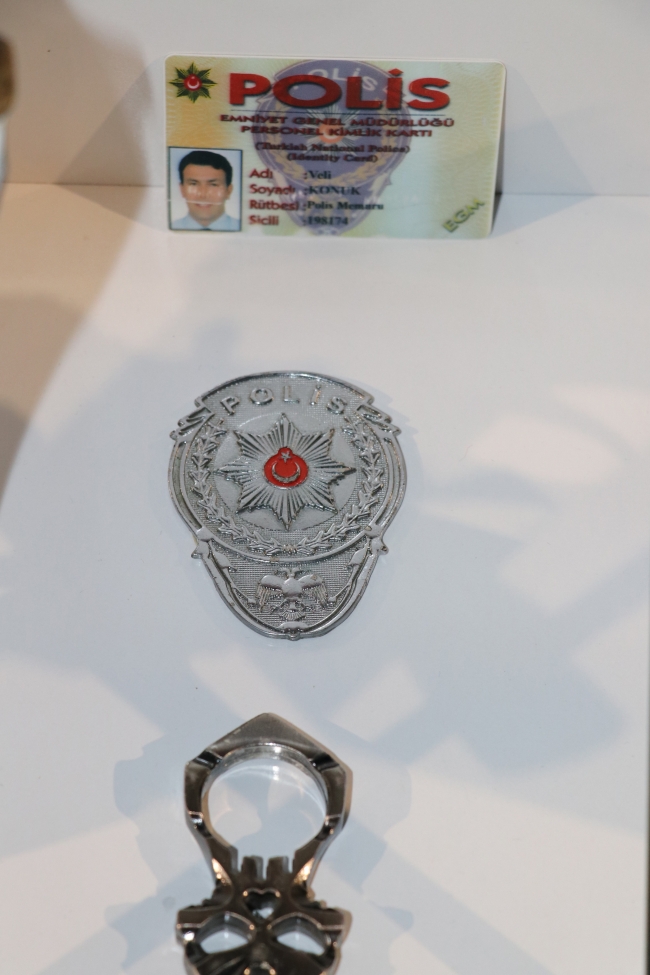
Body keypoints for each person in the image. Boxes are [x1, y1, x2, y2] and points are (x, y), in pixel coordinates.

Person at [172, 150, 240, 231]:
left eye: (213, 185)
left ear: (228, 191)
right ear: (182, 189)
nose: (203, 194)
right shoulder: (165, 230)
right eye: (193, 184)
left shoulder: (247, 229)